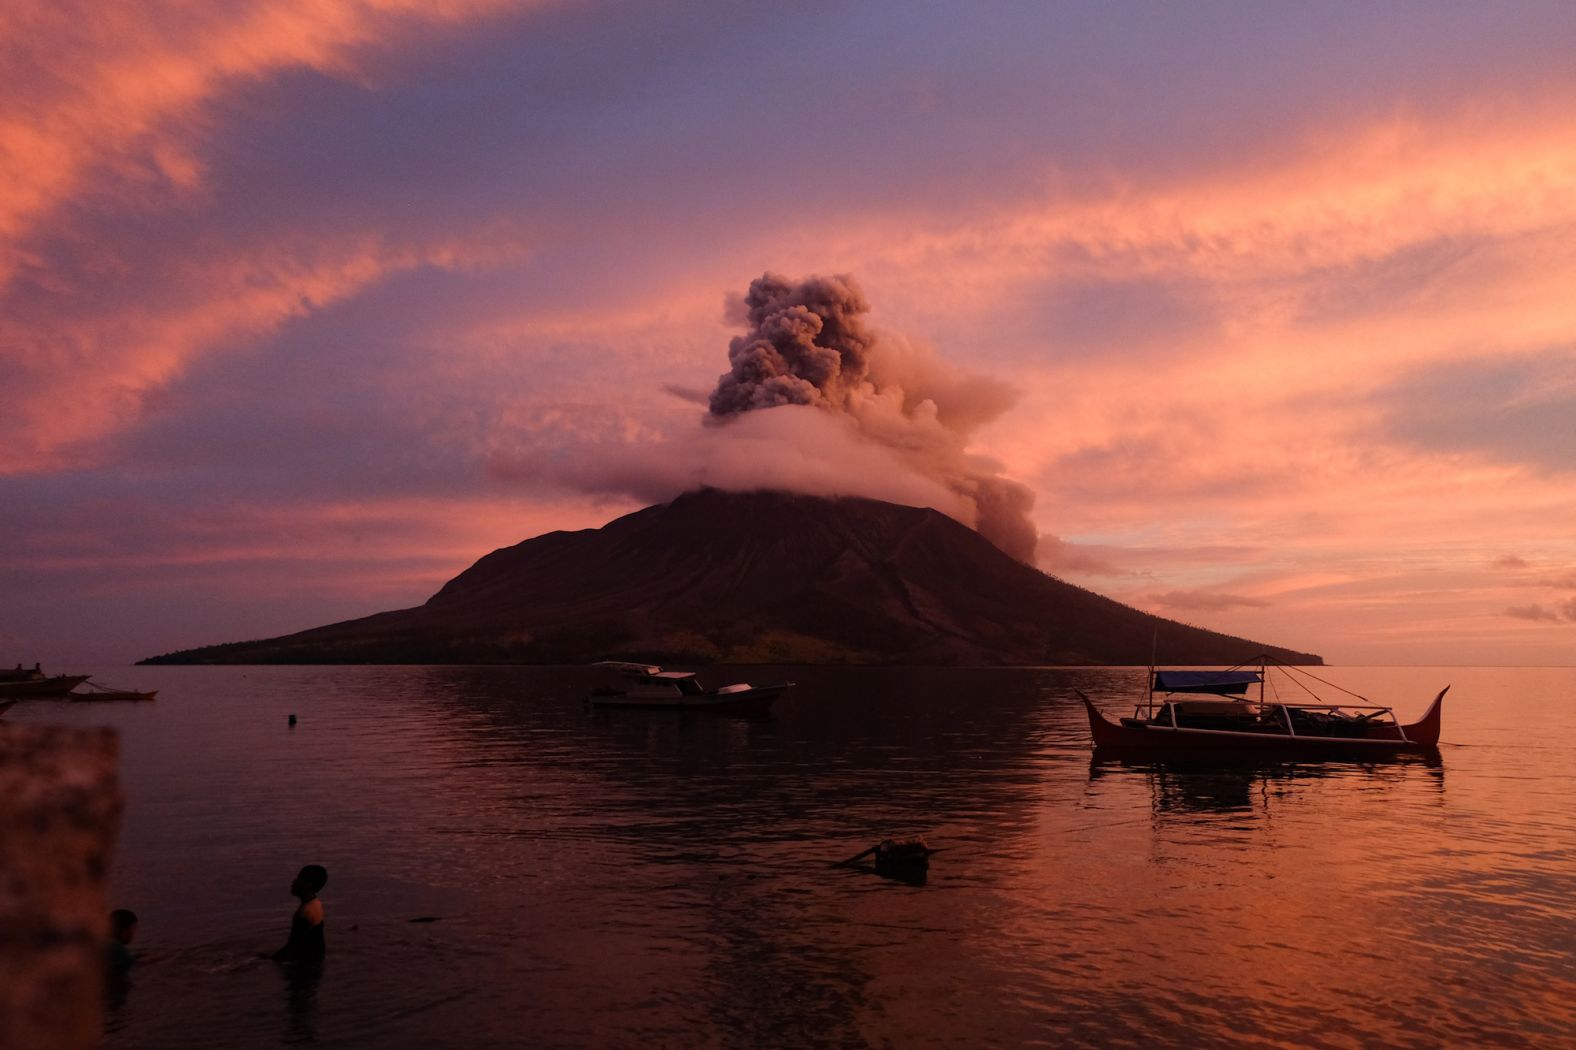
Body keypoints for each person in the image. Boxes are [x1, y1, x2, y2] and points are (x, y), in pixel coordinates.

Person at [272, 865, 327, 964]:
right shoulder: (316, 903)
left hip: (306, 964)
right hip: (317, 958)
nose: (294, 881)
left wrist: (271, 960)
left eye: (299, 878)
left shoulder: (305, 913)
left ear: (308, 884)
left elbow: (295, 946)